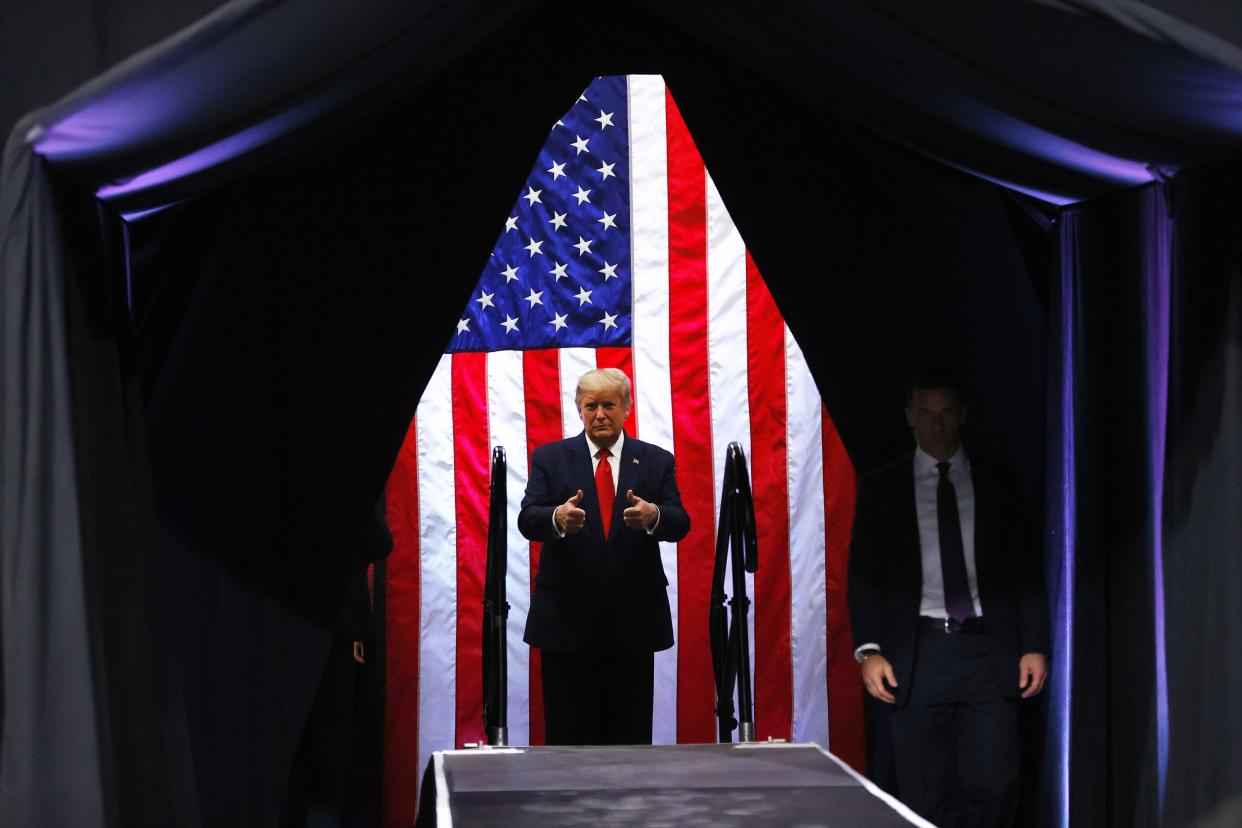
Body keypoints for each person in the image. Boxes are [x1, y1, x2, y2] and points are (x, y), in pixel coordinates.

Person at [848, 376, 1049, 827]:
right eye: (925, 412)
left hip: (988, 652)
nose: (935, 424)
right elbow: (864, 579)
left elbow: (1025, 572)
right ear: (909, 418)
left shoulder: (998, 482)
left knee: (996, 785)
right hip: (917, 654)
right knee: (924, 790)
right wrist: (870, 650)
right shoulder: (883, 488)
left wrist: (1035, 643)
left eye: (945, 413)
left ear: (962, 415)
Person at [519, 368, 690, 745]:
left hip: (633, 623)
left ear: (627, 408)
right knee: (567, 741)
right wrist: (556, 518)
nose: (599, 414)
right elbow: (528, 519)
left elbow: (680, 522)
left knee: (629, 743)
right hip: (566, 621)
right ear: (578, 409)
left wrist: (654, 516)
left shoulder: (655, 460)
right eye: (590, 405)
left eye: (609, 404)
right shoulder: (551, 458)